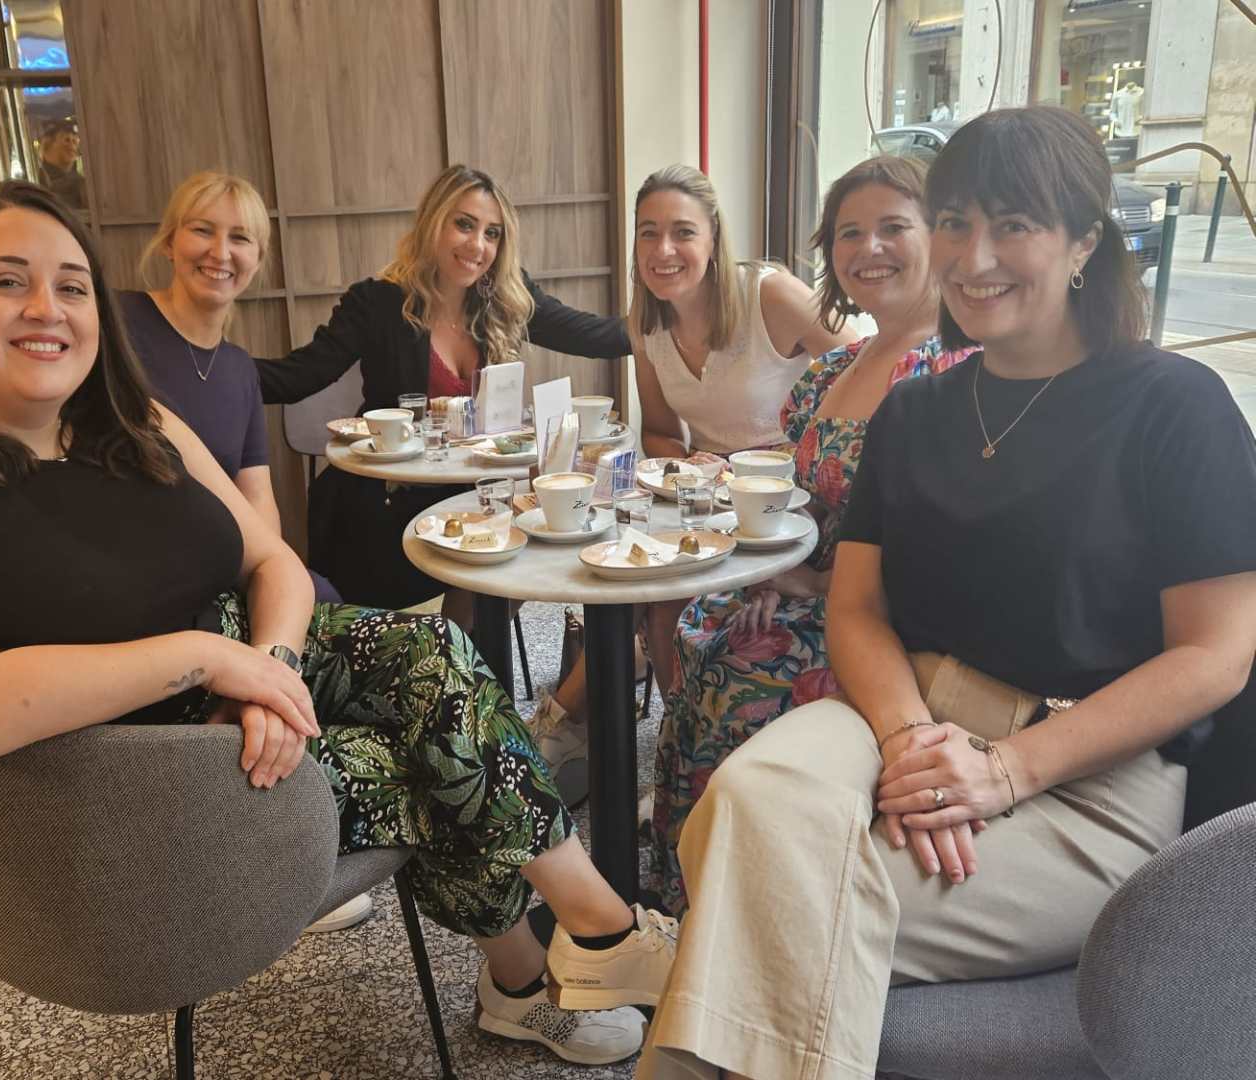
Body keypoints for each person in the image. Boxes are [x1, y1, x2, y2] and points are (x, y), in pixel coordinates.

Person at [0, 181, 676, 1068]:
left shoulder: (134, 424)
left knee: (437, 657)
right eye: (7, 281)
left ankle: (587, 943)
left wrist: (272, 667)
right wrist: (207, 660)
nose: (47, 308)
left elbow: (273, 562)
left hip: (235, 690)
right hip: (126, 775)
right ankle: (551, 967)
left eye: (72, 287)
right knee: (430, 757)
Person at [627, 107, 1256, 1079]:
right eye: (957, 222)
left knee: (760, 883)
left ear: (1085, 241)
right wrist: (909, 740)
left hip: (1091, 765)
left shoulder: (1173, 405)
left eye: (1014, 224)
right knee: (746, 799)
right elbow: (856, 607)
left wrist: (1007, 771)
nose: (974, 255)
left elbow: (1216, 653)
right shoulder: (915, 410)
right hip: (903, 710)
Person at [652, 155, 975, 914]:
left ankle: (749, 903)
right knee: (702, 629)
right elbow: (815, 504)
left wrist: (813, 584)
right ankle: (687, 889)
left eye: (893, 227)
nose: (869, 249)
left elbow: (937, 548)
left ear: (940, 235)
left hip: (887, 619)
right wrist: (774, 573)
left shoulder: (954, 370)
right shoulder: (842, 366)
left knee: (734, 671)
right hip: (810, 587)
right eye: (849, 233)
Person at [525, 164, 855, 796]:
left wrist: (774, 470)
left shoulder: (770, 297)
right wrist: (687, 468)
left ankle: (570, 724)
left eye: (682, 232)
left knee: (659, 597)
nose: (664, 250)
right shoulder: (646, 324)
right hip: (708, 508)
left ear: (713, 238)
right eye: (648, 233)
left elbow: (867, 374)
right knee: (630, 576)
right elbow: (659, 432)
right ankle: (670, 754)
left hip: (799, 506)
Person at [118, 172, 350, 924]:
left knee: (319, 607)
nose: (220, 252)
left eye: (240, 237)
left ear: (259, 258)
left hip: (224, 565)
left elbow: (258, 499)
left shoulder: (241, 368)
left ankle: (299, 835)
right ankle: (269, 848)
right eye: (202, 230)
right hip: (147, 576)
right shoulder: (118, 326)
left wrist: (274, 584)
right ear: (169, 240)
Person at [253, 164, 630, 612]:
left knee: (534, 550)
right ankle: (454, 647)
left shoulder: (503, 298)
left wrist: (674, 320)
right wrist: (208, 370)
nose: (477, 245)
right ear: (433, 223)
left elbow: (591, 335)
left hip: (474, 493)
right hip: (393, 501)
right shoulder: (378, 302)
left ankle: (464, 651)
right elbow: (301, 375)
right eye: (464, 225)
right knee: (492, 570)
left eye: (492, 234)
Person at [35, 120, 86, 211]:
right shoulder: (35, 182)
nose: (72, 146)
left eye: (75, 141)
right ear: (46, 146)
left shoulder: (81, 184)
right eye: (67, 140)